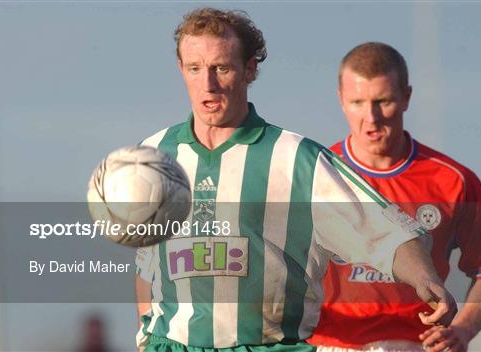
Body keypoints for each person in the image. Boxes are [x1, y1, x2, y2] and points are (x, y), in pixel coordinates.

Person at [135, 10, 456, 352]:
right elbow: (147, 264)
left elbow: (380, 228)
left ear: (250, 69)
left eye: (222, 68)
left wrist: (426, 278)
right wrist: (145, 335)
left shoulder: (296, 158)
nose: (208, 83)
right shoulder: (153, 155)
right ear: (181, 69)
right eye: (195, 68)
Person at [308, 42, 481, 352]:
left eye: (383, 101)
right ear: (341, 101)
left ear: (406, 97)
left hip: (417, 345)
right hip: (333, 344)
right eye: (358, 102)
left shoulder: (453, 181)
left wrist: (464, 330)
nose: (371, 118)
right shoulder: (315, 176)